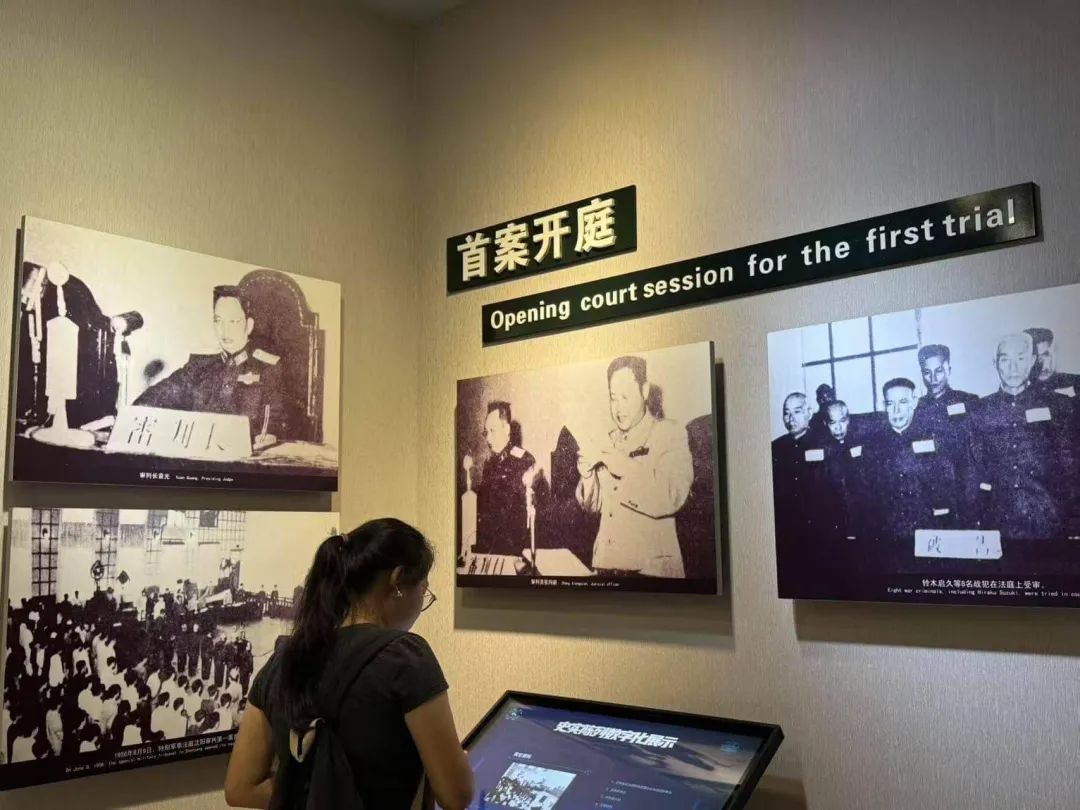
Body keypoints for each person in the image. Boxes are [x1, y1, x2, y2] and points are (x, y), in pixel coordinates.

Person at [225, 519, 474, 810]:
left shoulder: (284, 659)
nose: (422, 603)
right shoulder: (406, 656)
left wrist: (316, 793)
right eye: (424, 590)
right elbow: (456, 796)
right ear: (397, 580)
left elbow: (240, 788)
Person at [576, 356, 693, 578]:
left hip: (650, 573)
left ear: (645, 391)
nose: (618, 407)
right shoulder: (609, 440)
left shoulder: (669, 433)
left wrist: (620, 463)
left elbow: (672, 495)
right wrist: (588, 476)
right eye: (613, 398)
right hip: (606, 568)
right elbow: (594, 506)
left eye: (625, 397)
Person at [134, 285, 287, 448]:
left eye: (233, 321)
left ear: (248, 326)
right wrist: (131, 416)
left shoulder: (268, 368)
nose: (225, 330)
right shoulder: (199, 367)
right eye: (218, 321)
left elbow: (274, 426)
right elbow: (160, 395)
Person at [970, 333, 1076, 540]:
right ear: (995, 363)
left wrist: (1075, 525)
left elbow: (1070, 469)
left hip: (1050, 521)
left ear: (1033, 360)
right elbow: (974, 472)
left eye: (1020, 358)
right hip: (1000, 524)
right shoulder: (980, 411)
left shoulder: (1058, 405)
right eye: (1005, 360)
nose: (1013, 368)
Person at [474, 402, 536, 557]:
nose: (488, 438)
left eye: (493, 430)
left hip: (515, 550)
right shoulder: (489, 464)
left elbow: (525, 518)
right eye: (486, 432)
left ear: (507, 429)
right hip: (490, 547)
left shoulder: (524, 460)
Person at [1025, 327, 1080, 397]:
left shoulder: (1074, 381)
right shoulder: (1020, 390)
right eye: (1035, 357)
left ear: (1054, 354)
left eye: (1045, 355)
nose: (1040, 363)